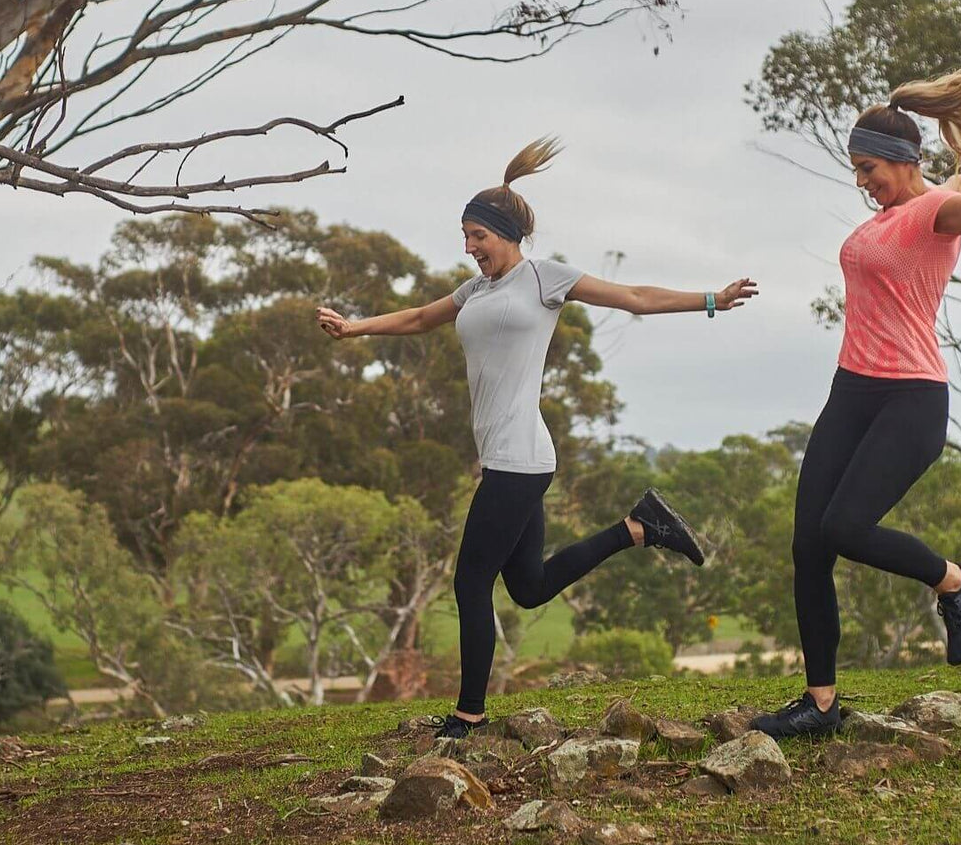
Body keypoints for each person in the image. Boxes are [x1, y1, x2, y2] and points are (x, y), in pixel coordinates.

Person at [315, 138, 758, 738]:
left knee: (471, 582)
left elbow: (633, 298)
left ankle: (468, 715)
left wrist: (710, 299)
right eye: (465, 237)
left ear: (506, 234)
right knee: (526, 588)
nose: (469, 248)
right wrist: (354, 329)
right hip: (510, 454)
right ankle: (640, 527)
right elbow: (420, 318)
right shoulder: (475, 291)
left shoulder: (545, 279)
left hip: (518, 458)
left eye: (477, 236)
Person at [751, 57, 961, 740]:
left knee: (844, 527)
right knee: (809, 544)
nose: (863, 183)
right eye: (857, 171)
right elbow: (955, 178)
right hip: (850, 393)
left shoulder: (935, 213)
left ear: (900, 160)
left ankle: (957, 580)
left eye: (870, 169)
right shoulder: (901, 207)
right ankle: (821, 703)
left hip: (910, 397)